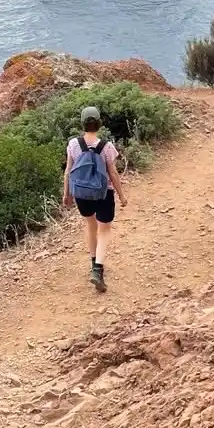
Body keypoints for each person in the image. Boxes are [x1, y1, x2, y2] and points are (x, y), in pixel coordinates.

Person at [63, 105, 126, 292]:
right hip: (103, 193)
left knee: (91, 226)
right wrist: (122, 195)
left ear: (82, 124)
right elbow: (113, 173)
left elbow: (68, 171)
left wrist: (67, 194)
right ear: (99, 124)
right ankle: (98, 269)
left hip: (81, 193)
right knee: (104, 229)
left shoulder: (73, 144)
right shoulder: (106, 146)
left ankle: (93, 264)